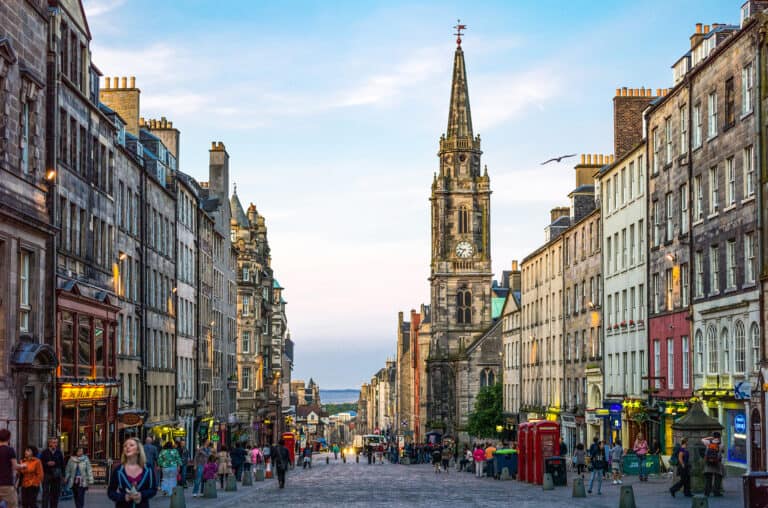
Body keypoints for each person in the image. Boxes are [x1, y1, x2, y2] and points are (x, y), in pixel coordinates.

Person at [107, 437, 158, 508]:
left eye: (131, 445)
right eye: (125, 446)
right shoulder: (118, 470)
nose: (127, 447)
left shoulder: (148, 468)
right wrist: (124, 497)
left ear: (138, 450)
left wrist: (141, 494)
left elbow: (153, 489)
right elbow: (111, 492)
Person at [40, 437, 64, 508]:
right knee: (45, 493)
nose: (55, 444)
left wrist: (63, 475)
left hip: (56, 475)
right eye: (53, 442)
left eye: (56, 442)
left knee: (55, 493)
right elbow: (40, 463)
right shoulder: (44, 452)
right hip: (47, 474)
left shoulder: (59, 452)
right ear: (49, 443)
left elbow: (62, 464)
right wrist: (47, 463)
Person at [0, 429, 20, 508]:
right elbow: (15, 466)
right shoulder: (10, 450)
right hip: (6, 484)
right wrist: (23, 465)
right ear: (8, 438)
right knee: (13, 505)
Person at [702, 431, 724, 497]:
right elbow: (722, 452)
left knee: (708, 479)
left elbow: (702, 439)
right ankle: (716, 492)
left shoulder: (708, 443)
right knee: (718, 478)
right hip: (717, 463)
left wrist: (710, 438)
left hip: (708, 463)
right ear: (719, 437)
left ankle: (707, 493)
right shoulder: (721, 444)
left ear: (713, 436)